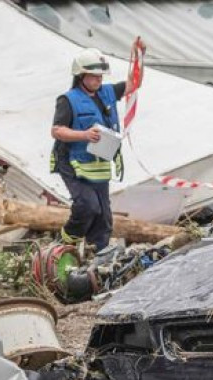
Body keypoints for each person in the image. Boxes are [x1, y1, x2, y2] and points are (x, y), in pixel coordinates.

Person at [50, 48, 126, 250]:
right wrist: (83, 135)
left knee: (103, 216)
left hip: (98, 163)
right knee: (87, 205)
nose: (98, 80)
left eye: (100, 76)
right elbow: (57, 131)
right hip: (72, 161)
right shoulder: (67, 100)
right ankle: (66, 241)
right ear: (81, 76)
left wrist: (139, 57)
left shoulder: (107, 93)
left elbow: (134, 84)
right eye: (93, 76)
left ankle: (99, 254)